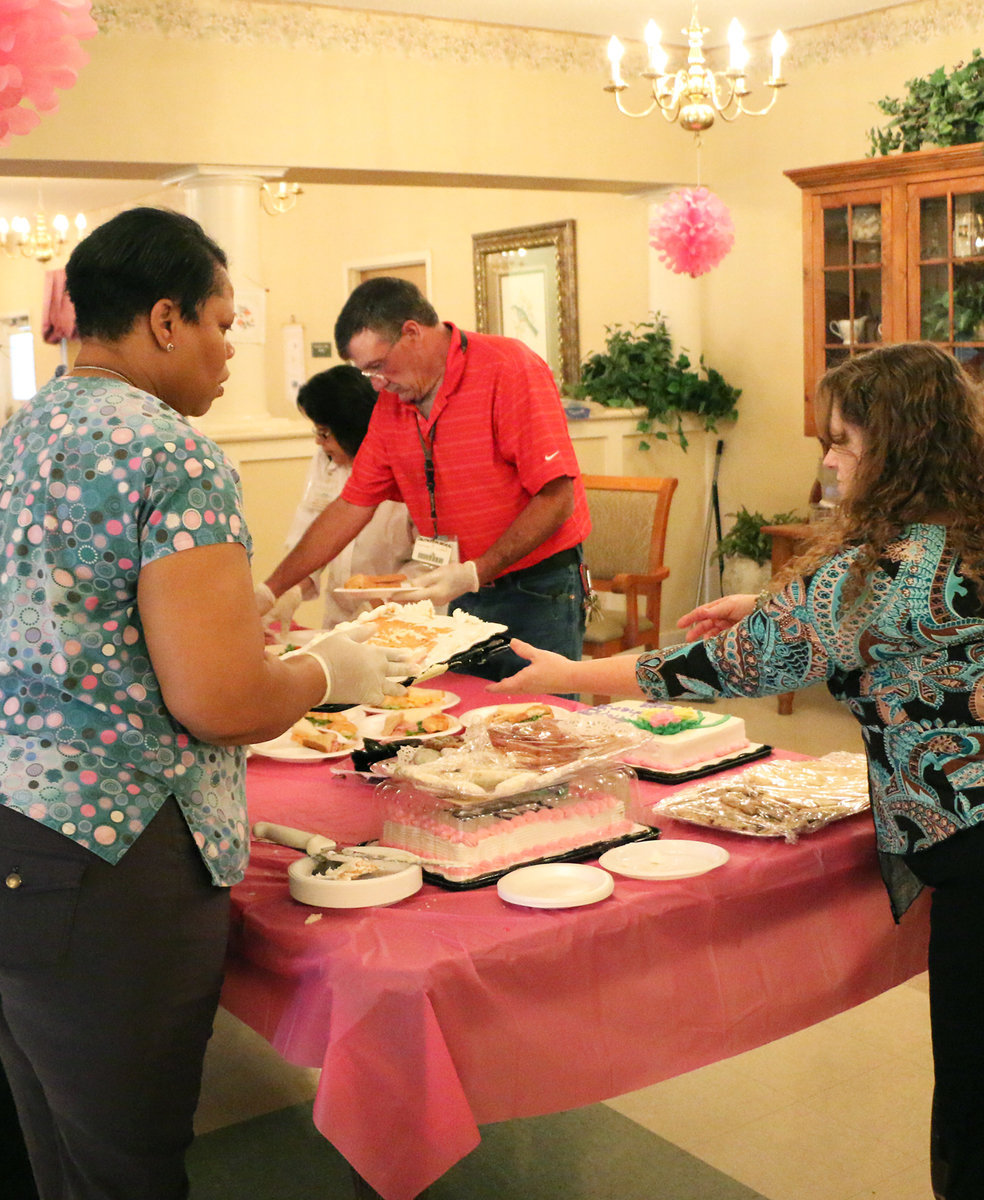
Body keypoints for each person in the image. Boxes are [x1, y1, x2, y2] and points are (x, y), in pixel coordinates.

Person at [489, 342, 984, 1200]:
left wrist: (561, 674)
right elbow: (892, 624)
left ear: (900, 449)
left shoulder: (874, 570)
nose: (829, 462)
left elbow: (707, 672)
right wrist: (765, 606)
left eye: (842, 443)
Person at [0, 207, 413, 1200]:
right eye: (224, 323)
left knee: (51, 1135)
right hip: (113, 854)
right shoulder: (167, 451)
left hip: (18, 819)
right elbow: (222, 701)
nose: (233, 350)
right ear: (164, 318)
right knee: (126, 1157)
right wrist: (333, 672)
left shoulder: (24, 430)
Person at [258, 276, 591, 679]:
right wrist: (272, 589)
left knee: (543, 722)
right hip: (465, 588)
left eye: (378, 367)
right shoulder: (392, 405)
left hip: (537, 588)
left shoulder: (507, 368)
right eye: (367, 374)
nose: (378, 383)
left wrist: (476, 570)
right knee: (474, 719)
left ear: (412, 332)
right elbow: (350, 506)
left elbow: (557, 499)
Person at [258, 365, 413, 630]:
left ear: (351, 428)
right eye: (316, 431)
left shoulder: (406, 465)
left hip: (404, 620)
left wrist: (382, 603)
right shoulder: (326, 460)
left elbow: (431, 561)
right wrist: (287, 591)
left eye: (325, 433)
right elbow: (311, 536)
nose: (319, 442)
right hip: (339, 622)